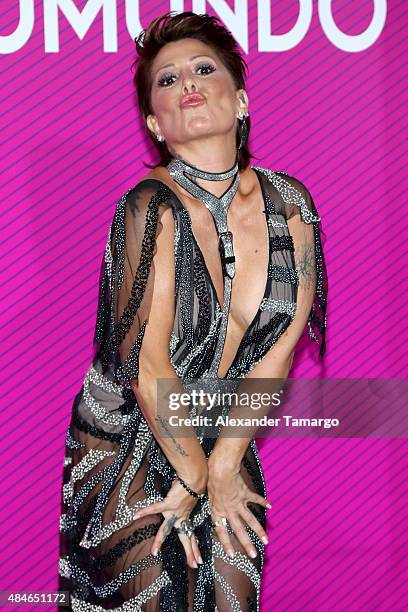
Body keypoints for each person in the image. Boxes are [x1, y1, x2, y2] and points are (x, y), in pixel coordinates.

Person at [58, 11, 328, 612]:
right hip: (129, 437)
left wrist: (227, 460)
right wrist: (193, 474)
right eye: (168, 79)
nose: (188, 83)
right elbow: (148, 364)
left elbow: (281, 345)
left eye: (203, 69)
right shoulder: (146, 207)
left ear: (241, 100)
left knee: (232, 594)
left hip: (226, 428)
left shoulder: (292, 204)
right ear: (156, 123)